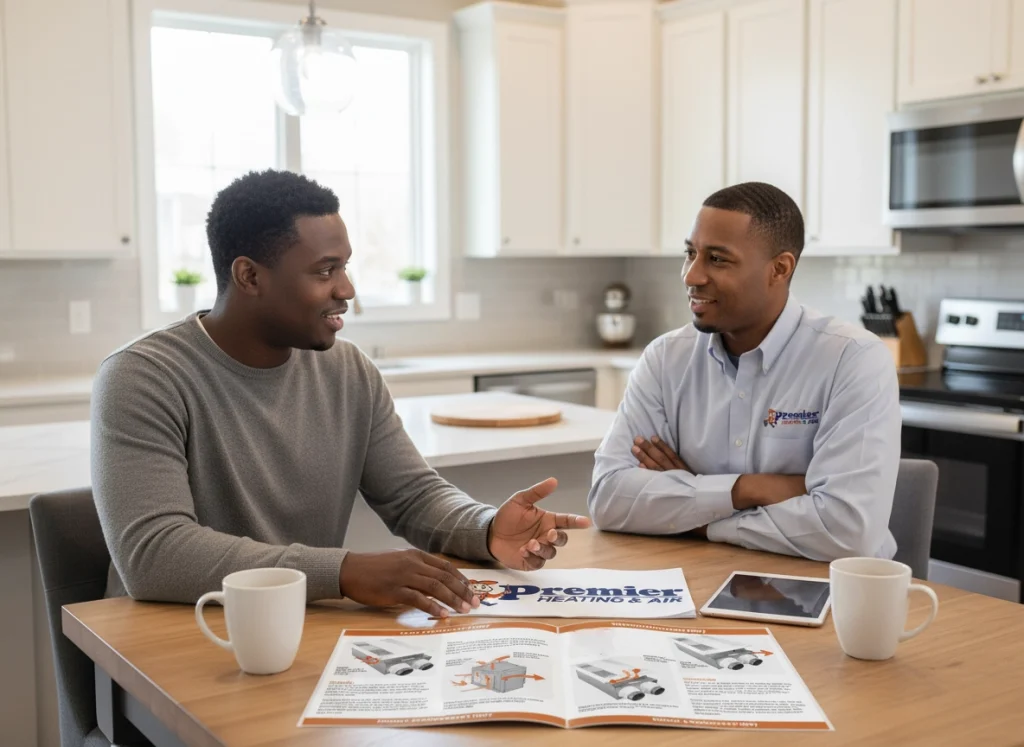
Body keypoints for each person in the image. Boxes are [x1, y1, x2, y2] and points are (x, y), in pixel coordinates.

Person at [92, 169, 590, 618]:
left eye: (345, 267)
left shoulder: (348, 369)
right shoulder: (142, 377)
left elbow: (413, 496)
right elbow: (155, 554)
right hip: (175, 637)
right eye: (324, 270)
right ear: (250, 277)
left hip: (299, 627)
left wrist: (484, 529)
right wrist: (345, 572)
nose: (347, 289)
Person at [587, 182, 900, 561]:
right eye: (690, 253)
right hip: (704, 577)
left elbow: (848, 531)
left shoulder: (852, 359)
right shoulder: (666, 358)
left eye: (717, 259)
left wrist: (699, 513)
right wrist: (746, 490)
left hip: (830, 594)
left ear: (780, 268)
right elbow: (608, 499)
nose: (691, 275)